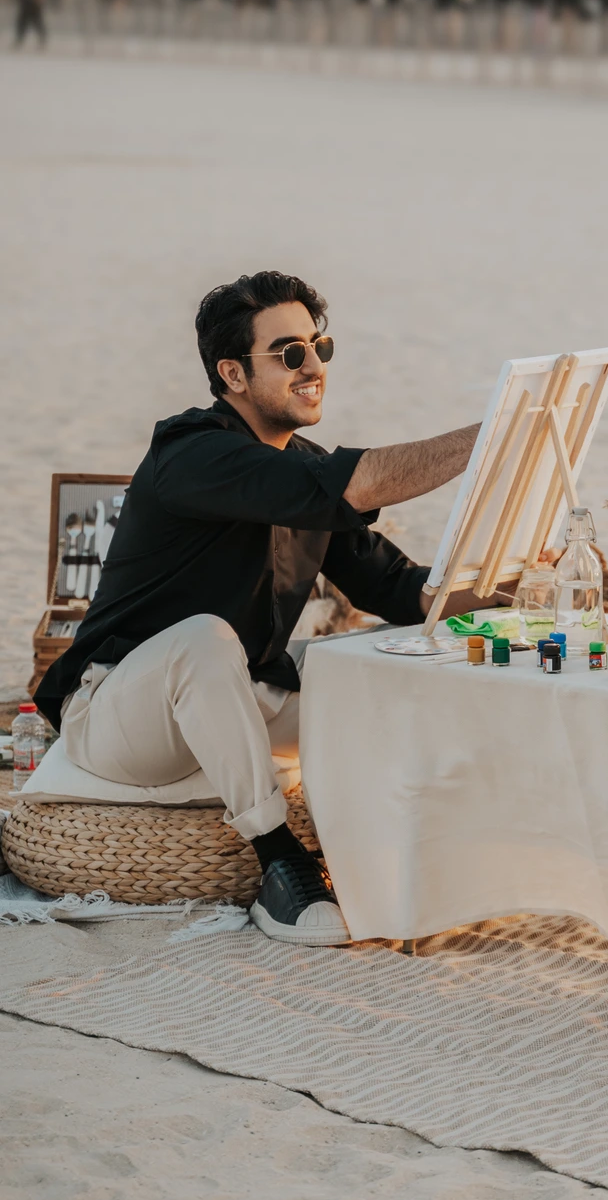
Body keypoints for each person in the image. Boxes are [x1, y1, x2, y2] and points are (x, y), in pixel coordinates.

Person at [36, 271, 484, 948]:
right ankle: (280, 864)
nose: (313, 368)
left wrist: (512, 585)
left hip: (237, 699)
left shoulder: (302, 468)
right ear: (233, 373)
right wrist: (491, 438)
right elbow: (356, 481)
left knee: (383, 661)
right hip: (119, 718)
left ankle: (421, 839)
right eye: (289, 353)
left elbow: (400, 592)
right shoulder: (192, 453)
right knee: (204, 640)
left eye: (318, 347)